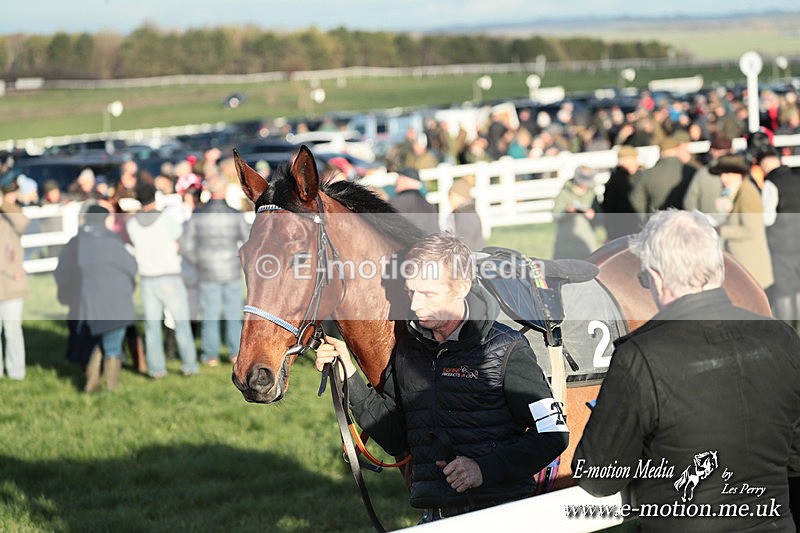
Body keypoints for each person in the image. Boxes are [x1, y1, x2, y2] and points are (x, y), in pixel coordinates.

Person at [314, 232, 568, 523]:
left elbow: (554, 435)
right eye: (411, 292)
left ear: (461, 287)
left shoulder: (507, 348)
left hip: (503, 514)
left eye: (428, 294)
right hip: (436, 517)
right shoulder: (408, 350)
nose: (415, 305)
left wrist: (483, 469)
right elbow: (395, 439)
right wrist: (348, 374)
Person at [573, 209, 800, 532]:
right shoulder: (783, 337)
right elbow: (795, 456)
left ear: (656, 278)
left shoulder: (638, 357)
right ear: (718, 266)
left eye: (644, 279)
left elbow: (597, 478)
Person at [55, 205, 137, 391]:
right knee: (112, 345)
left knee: (94, 342)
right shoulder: (113, 241)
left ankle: (92, 381)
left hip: (88, 303)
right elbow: (132, 267)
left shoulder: (76, 242)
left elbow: (62, 271)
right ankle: (112, 386)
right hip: (116, 302)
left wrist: (67, 294)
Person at [126, 182, 199, 378]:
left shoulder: (132, 224)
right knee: (181, 324)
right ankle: (189, 365)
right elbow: (181, 243)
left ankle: (156, 369)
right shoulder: (166, 220)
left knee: (152, 327)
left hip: (147, 278)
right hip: (170, 275)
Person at [181, 174, 250, 367]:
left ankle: (210, 355)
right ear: (225, 189)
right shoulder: (235, 214)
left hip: (207, 270)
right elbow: (248, 241)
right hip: (231, 269)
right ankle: (235, 353)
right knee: (233, 314)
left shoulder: (198, 214)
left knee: (210, 315)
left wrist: (199, 262)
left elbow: (186, 246)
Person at [711, 154, 774, 290]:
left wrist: (720, 230)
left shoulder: (747, 194)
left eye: (727, 174)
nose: (723, 178)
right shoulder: (735, 192)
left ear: (739, 174)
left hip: (751, 265)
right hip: (744, 263)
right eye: (722, 174)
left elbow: (751, 229)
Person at [757, 146, 800, 330]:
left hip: (782, 243)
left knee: (784, 289)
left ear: (763, 164)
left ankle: (788, 327)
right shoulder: (796, 176)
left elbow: (767, 218)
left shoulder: (771, 182)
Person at [0, 173, 29, 380]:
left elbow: (23, 222)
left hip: (12, 284)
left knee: (12, 330)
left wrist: (3, 204)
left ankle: (16, 372)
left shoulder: (10, 218)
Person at [629, 132, 695, 217]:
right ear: (676, 149)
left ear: (660, 152)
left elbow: (636, 200)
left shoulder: (647, 174)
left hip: (657, 220)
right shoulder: (690, 171)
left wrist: (646, 219)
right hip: (685, 220)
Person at [682, 134, 732, 225]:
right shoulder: (740, 174)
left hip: (707, 226)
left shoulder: (702, 174)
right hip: (732, 226)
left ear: (713, 152)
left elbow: (689, 203)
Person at [552, 166, 601, 259]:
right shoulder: (565, 192)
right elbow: (556, 215)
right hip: (566, 241)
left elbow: (600, 217)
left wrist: (593, 215)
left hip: (586, 240)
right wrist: (567, 212)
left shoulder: (591, 193)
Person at [601, 145, 642, 241]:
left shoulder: (642, 176)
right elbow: (608, 207)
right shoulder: (615, 181)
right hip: (622, 228)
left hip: (640, 224)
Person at [389, 168, 439, 235]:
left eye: (400, 177)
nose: (397, 181)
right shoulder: (430, 206)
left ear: (406, 180)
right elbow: (436, 232)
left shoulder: (396, 202)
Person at [445, 177, 484, 252]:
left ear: (457, 195)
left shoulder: (465, 215)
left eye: (450, 196)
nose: (449, 201)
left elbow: (465, 243)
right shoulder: (466, 213)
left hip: (471, 256)